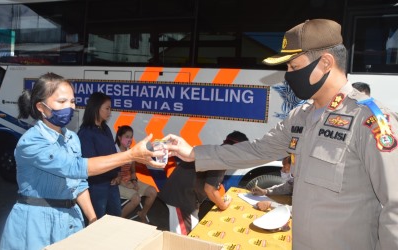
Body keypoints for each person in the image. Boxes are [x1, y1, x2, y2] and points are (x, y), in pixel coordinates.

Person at [163, 19, 398, 250]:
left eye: (294, 67)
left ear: (326, 62)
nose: (287, 75)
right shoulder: (301, 116)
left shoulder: (370, 121)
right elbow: (257, 149)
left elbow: (395, 206)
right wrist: (193, 153)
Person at [0, 73, 165, 250]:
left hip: (69, 219)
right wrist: (130, 155)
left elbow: (78, 184)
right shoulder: (32, 141)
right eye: (62, 102)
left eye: (72, 101)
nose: (69, 107)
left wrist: (93, 220)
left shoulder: (71, 138)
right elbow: (75, 168)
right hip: (38, 222)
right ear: (41, 106)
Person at [159, 131, 248, 235]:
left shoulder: (213, 151)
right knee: (185, 240)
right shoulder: (221, 158)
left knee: (192, 234)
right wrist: (223, 205)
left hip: (181, 194)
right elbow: (210, 189)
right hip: (181, 199)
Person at [77, 92, 123, 219]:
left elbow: (113, 153)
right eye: (107, 108)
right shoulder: (85, 133)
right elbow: (90, 162)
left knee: (115, 218)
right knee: (98, 221)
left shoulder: (105, 128)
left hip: (112, 184)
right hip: (97, 186)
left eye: (110, 108)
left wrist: (118, 174)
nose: (110, 112)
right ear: (96, 108)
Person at [115, 125, 157, 223]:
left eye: (131, 137)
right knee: (136, 198)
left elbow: (133, 171)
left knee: (153, 192)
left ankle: (143, 213)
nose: (129, 139)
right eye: (127, 136)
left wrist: (134, 182)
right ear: (119, 137)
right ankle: (118, 220)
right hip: (117, 184)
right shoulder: (114, 151)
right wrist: (126, 184)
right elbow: (113, 174)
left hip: (129, 181)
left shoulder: (131, 151)